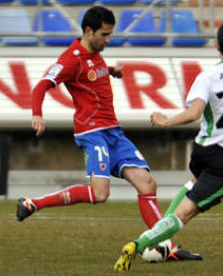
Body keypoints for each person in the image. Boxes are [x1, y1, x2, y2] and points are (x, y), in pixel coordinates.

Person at [16, 5, 200, 262]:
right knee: (100, 194)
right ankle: (32, 202)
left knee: (147, 184)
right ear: (89, 31)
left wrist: (113, 71)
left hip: (113, 132)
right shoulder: (70, 59)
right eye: (104, 34)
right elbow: (41, 87)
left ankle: (165, 246)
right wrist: (37, 113)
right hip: (92, 133)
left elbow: (94, 72)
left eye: (110, 34)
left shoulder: (96, 54)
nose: (108, 39)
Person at [113, 19, 223, 272]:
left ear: (217, 45)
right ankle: (139, 243)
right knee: (184, 214)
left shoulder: (207, 76)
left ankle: (161, 240)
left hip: (203, 151)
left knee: (195, 183)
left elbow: (194, 113)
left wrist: (166, 121)